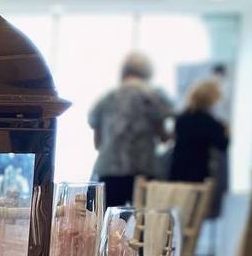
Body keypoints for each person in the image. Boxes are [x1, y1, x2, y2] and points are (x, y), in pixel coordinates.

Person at [88, 52, 173, 206]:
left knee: (107, 222)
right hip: (144, 171)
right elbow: (163, 137)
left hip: (108, 170)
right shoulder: (154, 97)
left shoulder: (107, 98)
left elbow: (97, 143)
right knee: (143, 223)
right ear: (148, 72)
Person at [168, 79, 229, 183]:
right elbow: (222, 145)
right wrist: (226, 130)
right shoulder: (209, 122)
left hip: (177, 168)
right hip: (198, 171)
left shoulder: (181, 118)